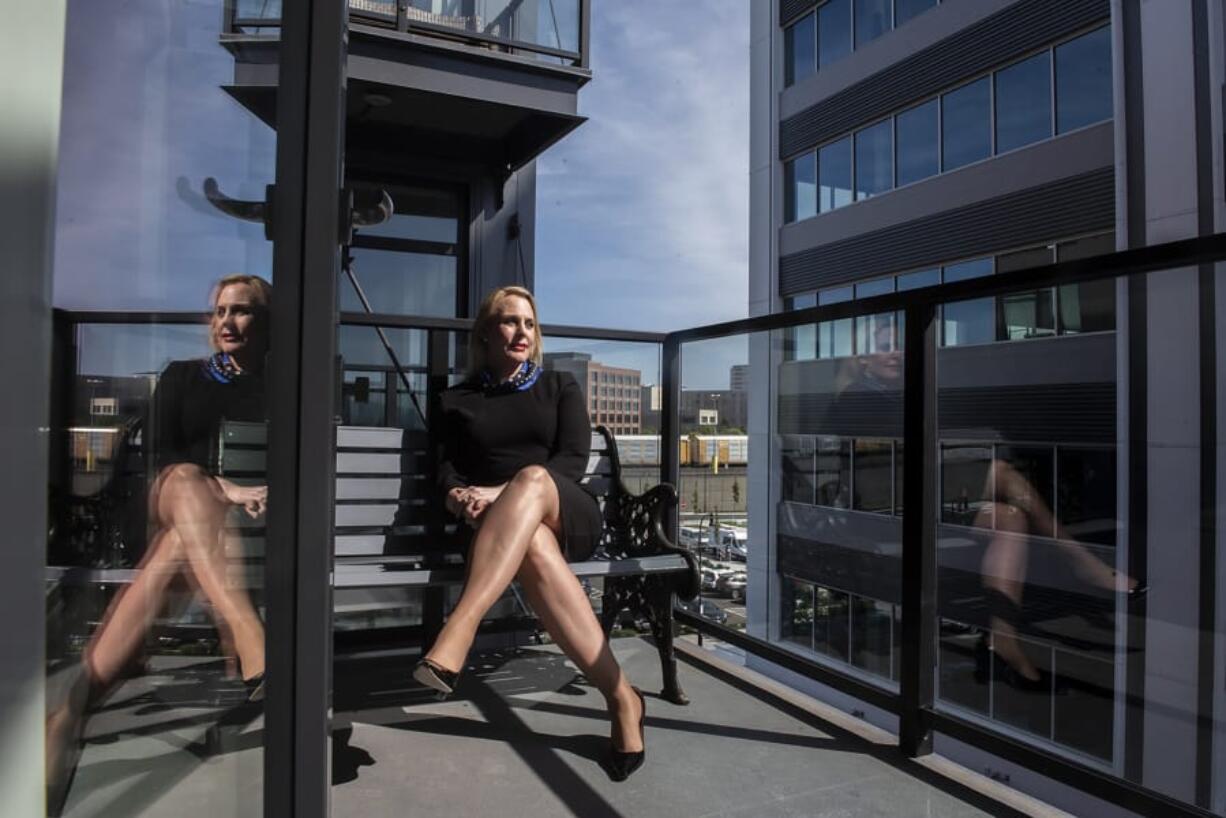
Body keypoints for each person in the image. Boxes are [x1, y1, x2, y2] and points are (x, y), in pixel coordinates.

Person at [47, 274, 272, 808]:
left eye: (241, 311)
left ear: (265, 323)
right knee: (193, 484)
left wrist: (255, 494)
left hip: (223, 531)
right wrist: (225, 487)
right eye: (219, 311)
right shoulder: (185, 375)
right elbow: (160, 457)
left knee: (186, 539)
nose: (226, 322)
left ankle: (71, 709)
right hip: (164, 500)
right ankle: (245, 629)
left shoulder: (283, 382)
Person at [412, 285, 647, 781]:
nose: (522, 332)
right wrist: (459, 496)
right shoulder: (456, 399)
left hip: (566, 508)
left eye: (529, 323)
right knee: (532, 544)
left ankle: (461, 626)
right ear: (485, 332)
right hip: (499, 530)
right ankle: (623, 698)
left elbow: (571, 463)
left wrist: (499, 492)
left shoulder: (559, 385)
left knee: (533, 480)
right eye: (510, 321)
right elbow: (445, 470)